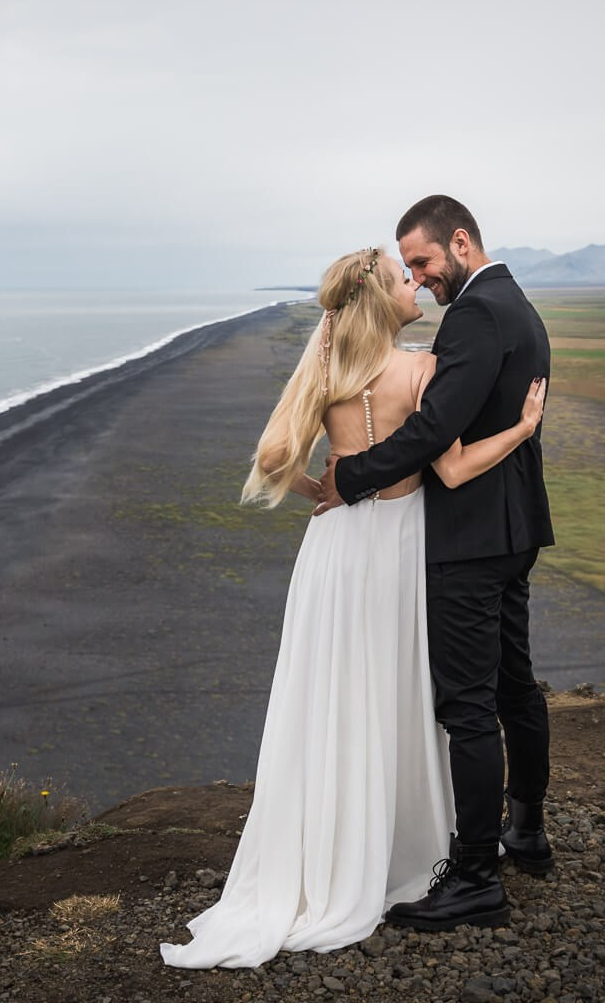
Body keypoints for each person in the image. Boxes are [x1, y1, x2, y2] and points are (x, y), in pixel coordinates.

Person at [160, 245, 546, 968]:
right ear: (382, 300)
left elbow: (275, 462)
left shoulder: (325, 371)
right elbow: (456, 466)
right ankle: (409, 847)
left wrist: (328, 494)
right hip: (401, 545)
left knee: (332, 696)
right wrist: (523, 430)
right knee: (397, 694)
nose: (416, 288)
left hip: (335, 552)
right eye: (405, 281)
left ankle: (324, 851)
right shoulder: (420, 369)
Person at [317, 196, 555, 933]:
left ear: (459, 241)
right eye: (408, 270)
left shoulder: (478, 316)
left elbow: (434, 431)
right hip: (512, 532)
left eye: (422, 261)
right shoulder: (519, 306)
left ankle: (477, 876)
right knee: (515, 685)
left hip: (471, 542)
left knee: (467, 706)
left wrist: (351, 480)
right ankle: (526, 831)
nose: (419, 279)